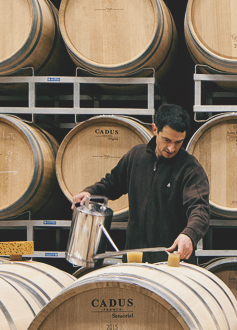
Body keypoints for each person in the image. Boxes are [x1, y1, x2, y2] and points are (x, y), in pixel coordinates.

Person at [71, 103, 210, 261]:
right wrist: (90, 192)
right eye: (167, 140)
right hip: (134, 259)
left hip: (171, 262)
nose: (171, 148)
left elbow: (200, 209)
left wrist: (189, 234)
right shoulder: (136, 156)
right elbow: (112, 184)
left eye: (178, 142)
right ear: (155, 129)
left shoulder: (190, 168)